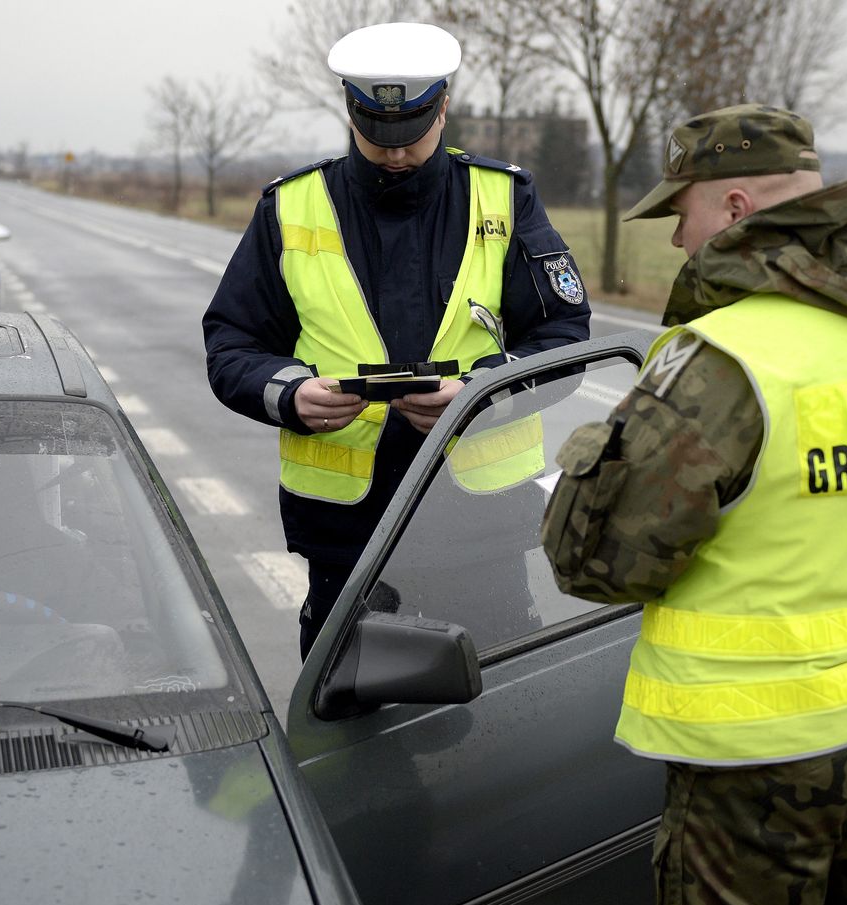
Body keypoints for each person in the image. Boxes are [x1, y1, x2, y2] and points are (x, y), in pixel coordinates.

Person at [541, 103, 847, 905]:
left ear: (737, 209)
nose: (676, 241)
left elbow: (596, 561)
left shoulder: (723, 360)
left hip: (762, 760)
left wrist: (597, 454)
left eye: (682, 214)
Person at [204, 22, 591, 659]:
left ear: (443, 107)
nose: (394, 153)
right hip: (346, 537)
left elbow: (563, 337)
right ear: (350, 112)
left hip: (480, 530)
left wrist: (480, 395)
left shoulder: (506, 199)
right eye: (377, 134)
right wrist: (290, 394)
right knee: (349, 739)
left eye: (410, 133)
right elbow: (232, 342)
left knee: (494, 726)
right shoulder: (290, 206)